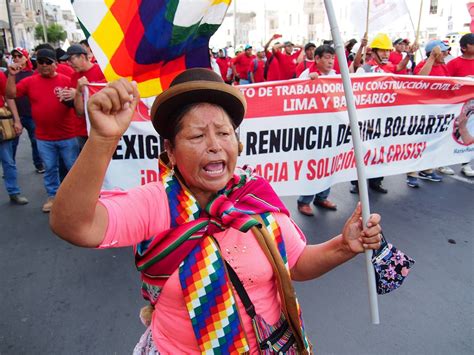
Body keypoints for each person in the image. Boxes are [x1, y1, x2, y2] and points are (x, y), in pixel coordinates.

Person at [49, 68, 383, 354]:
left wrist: (343, 245)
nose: (214, 144)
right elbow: (74, 226)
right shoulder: (156, 202)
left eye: (224, 133)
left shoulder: (256, 196)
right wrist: (103, 140)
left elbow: (294, 264)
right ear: (171, 151)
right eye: (196, 135)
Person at [6, 48, 79, 213]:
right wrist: (11, 75)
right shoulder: (30, 81)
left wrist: (76, 93)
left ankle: (76, 198)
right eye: (41, 62)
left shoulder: (67, 79)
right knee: (50, 169)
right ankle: (53, 197)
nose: (45, 65)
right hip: (44, 137)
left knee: (72, 168)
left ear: (55, 64)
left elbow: (81, 102)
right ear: (36, 64)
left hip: (68, 135)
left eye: (48, 62)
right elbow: (10, 94)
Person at [297, 45, 338, 216]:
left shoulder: (335, 76)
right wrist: (308, 83)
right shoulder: (307, 75)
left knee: (329, 162)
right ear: (317, 59)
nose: (330, 61)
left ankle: (322, 196)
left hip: (331, 126)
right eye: (327, 57)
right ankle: (304, 201)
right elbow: (295, 95)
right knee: (314, 164)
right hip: (313, 127)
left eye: (332, 58)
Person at [60, 44, 106, 150]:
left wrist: (78, 92)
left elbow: (106, 97)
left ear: (82, 56)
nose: (69, 63)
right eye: (67, 61)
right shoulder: (74, 76)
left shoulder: (102, 71)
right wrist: (66, 97)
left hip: (100, 128)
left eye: (71, 59)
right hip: (82, 129)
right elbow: (79, 112)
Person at [9, 47, 45, 173]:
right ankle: (10, 168)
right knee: (12, 144)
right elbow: (9, 96)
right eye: (14, 56)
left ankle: (39, 164)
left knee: (35, 141)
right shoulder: (9, 74)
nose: (17, 59)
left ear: (26, 57)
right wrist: (16, 118)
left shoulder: (34, 73)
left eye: (19, 56)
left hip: (31, 114)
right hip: (16, 114)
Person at [447, 33, 474, 177]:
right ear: (464, 47)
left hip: (472, 107)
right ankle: (442, 163)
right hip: (456, 105)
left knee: (469, 134)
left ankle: (465, 163)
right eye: (472, 44)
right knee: (450, 134)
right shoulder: (453, 63)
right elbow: (445, 83)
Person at [0, 71, 28, 205]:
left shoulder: (0, 75)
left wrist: (17, 120)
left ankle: (13, 192)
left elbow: (9, 96)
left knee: (8, 161)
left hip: (1, 124)